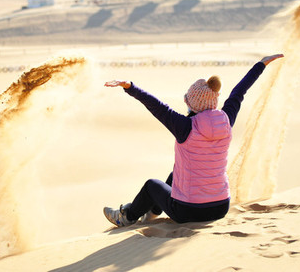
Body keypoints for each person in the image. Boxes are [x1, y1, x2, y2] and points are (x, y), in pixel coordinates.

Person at [103, 54, 284, 227]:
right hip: (221, 207)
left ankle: (126, 217)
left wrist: (130, 87)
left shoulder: (185, 127)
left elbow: (156, 105)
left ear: (192, 104)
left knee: (151, 186)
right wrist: (260, 65)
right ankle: (151, 214)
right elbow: (239, 92)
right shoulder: (226, 120)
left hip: (188, 211)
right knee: (175, 175)